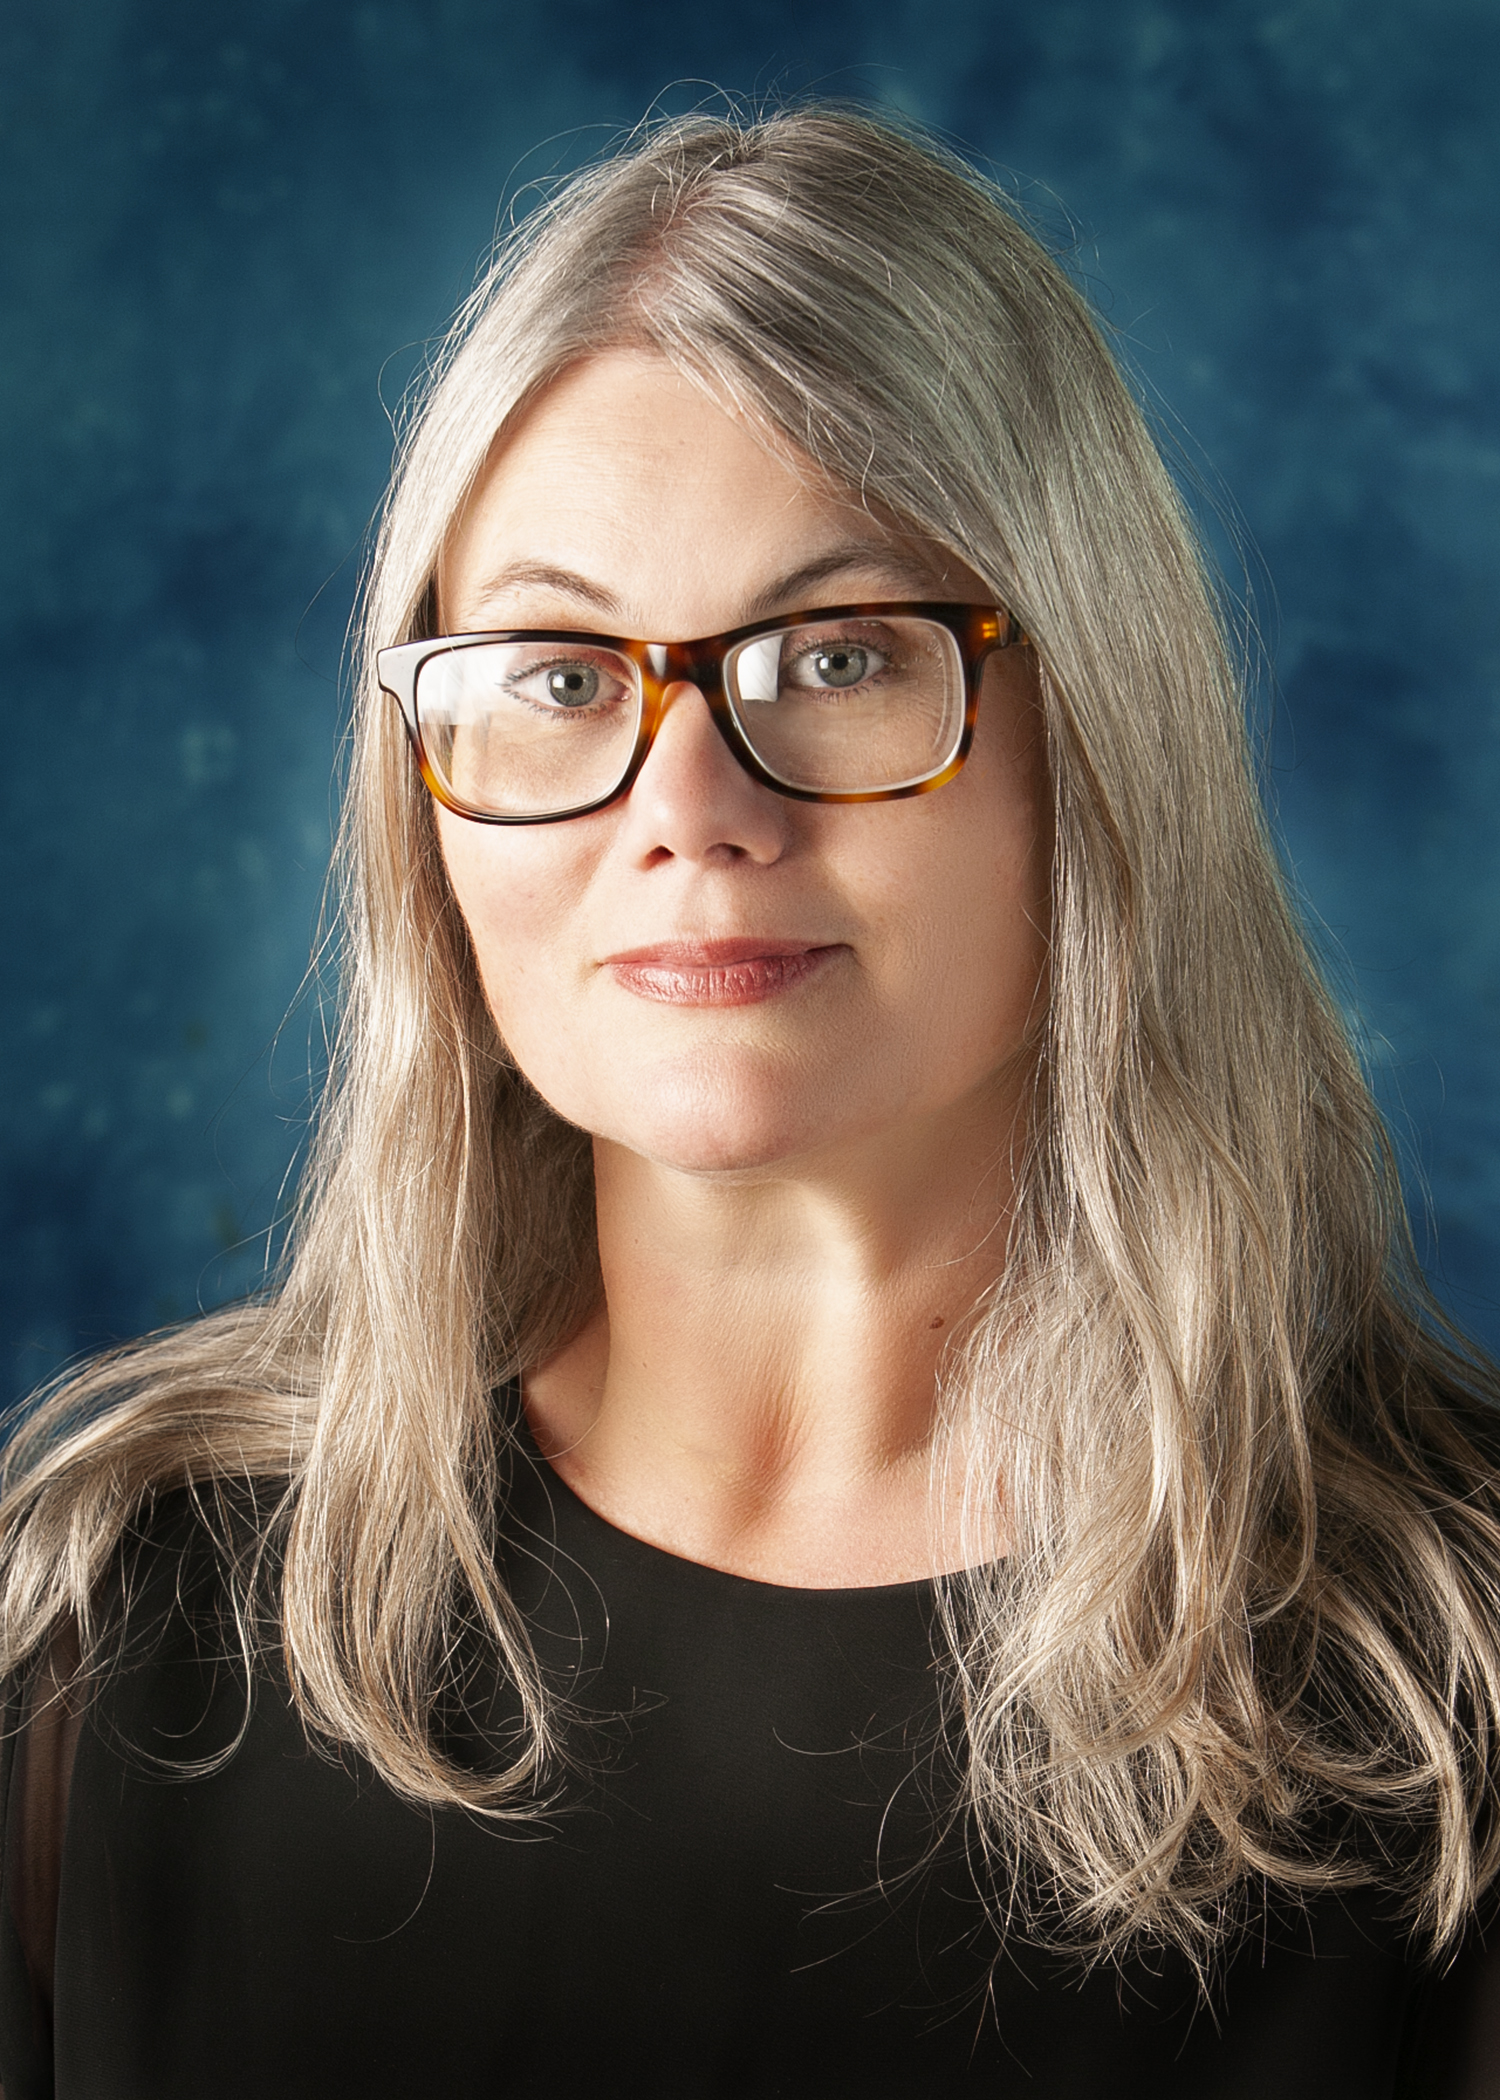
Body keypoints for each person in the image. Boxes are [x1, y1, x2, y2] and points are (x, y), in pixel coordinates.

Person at [1, 102, 1498, 2098]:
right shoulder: (109, 1633)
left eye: (838, 653)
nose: (686, 810)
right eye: (553, 674)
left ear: (1101, 723)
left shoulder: (1453, 1679)